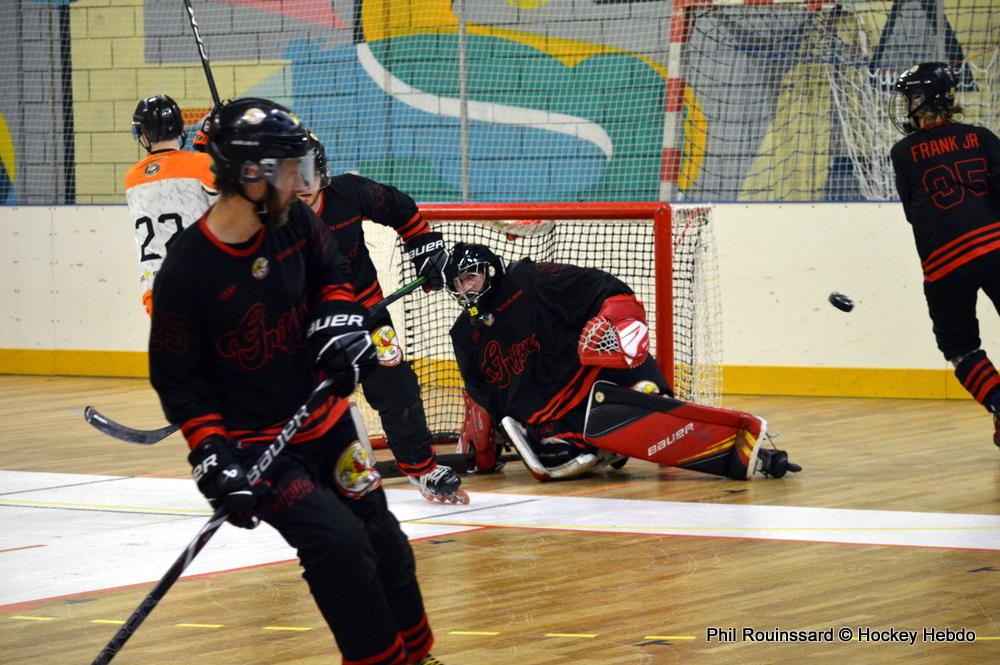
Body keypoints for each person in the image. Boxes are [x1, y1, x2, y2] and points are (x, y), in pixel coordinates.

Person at [148, 97, 444, 665]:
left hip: (327, 426)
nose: (304, 186)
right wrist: (211, 455)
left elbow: (334, 272)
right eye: (292, 172)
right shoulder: (187, 272)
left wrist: (337, 319)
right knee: (338, 548)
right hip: (263, 449)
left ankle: (419, 655)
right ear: (251, 178)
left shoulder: (296, 222)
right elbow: (179, 384)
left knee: (383, 540)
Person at [444, 243, 798, 481]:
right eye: (458, 284)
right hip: (549, 418)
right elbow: (480, 396)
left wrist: (616, 317)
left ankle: (637, 402)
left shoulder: (530, 281)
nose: (466, 289)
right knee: (556, 460)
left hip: (591, 378)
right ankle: (596, 442)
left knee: (624, 367)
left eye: (471, 277)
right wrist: (482, 445)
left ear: (491, 271)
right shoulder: (465, 335)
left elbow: (603, 288)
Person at [297, 132, 467, 504]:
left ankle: (422, 468)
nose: (301, 186)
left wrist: (424, 246)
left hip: (367, 314)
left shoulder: (351, 194)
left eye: (307, 174)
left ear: (322, 173)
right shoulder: (266, 218)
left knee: (397, 385)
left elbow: (398, 206)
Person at [890, 62, 1000, 448]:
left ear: (922, 100)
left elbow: (911, 213)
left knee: (960, 347)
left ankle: (999, 403)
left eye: (910, 98)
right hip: (995, 245)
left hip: (943, 262)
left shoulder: (902, 153)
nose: (906, 106)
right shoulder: (983, 138)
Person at [125, 94, 217, 316]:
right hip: (200, 287)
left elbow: (175, 186)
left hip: (156, 292)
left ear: (144, 134)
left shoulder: (132, 178)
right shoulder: (203, 166)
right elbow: (228, 208)